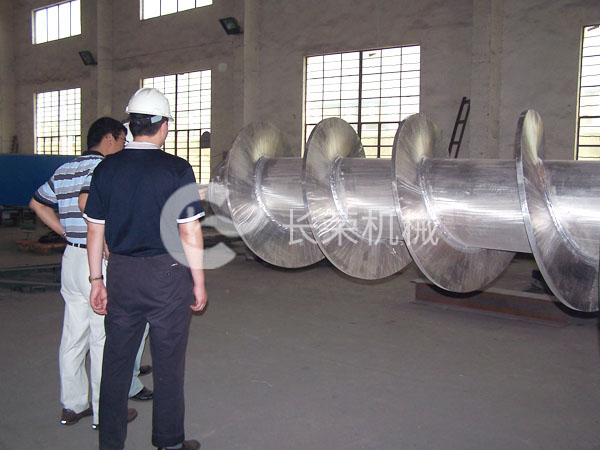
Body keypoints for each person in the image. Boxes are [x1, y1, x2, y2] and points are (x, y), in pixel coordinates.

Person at [84, 88, 208, 450]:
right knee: (168, 362)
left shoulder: (107, 168)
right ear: (163, 125)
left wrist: (96, 279)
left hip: (121, 274)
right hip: (166, 276)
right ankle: (169, 441)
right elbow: (189, 231)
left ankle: (110, 442)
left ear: (130, 124)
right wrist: (199, 281)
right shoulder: (176, 169)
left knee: (117, 361)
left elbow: (95, 229)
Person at [29, 117, 152, 429]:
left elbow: (37, 203)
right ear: (109, 138)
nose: (123, 147)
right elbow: (87, 204)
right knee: (103, 337)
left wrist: (65, 232)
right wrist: (105, 241)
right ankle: (104, 412)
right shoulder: (104, 167)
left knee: (73, 335)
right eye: (122, 141)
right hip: (95, 261)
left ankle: (73, 405)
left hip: (71, 258)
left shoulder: (66, 169)